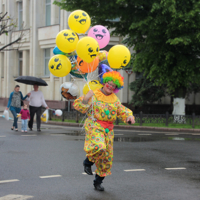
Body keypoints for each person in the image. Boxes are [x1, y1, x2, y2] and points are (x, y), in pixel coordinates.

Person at [73, 71, 135, 191]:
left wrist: (128, 116)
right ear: (104, 82)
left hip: (108, 130)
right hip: (95, 125)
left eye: (114, 86)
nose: (110, 86)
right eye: (109, 84)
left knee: (106, 157)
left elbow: (122, 110)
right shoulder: (95, 94)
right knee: (99, 146)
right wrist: (86, 98)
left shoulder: (114, 99)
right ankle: (88, 161)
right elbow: (78, 106)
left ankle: (98, 182)